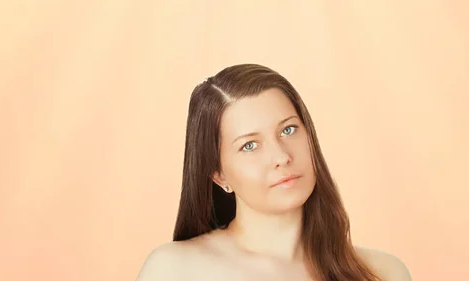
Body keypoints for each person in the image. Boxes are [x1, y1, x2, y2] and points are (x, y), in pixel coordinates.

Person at [135, 64, 412, 281]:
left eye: (288, 129)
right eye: (249, 145)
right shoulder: (175, 271)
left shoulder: (383, 273)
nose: (281, 156)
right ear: (219, 175)